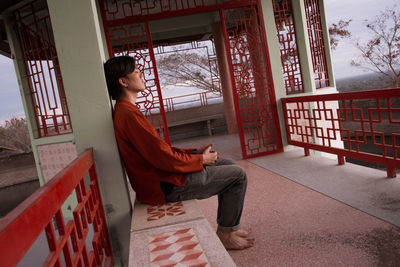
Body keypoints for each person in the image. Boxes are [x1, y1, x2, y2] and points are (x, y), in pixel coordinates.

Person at [104, 55, 254, 250]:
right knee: (238, 176)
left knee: (229, 165)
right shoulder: (128, 115)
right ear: (123, 82)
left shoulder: (127, 111)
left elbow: (160, 150)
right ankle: (226, 234)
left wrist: (194, 153)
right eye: (135, 72)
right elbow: (162, 158)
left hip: (161, 178)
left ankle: (228, 228)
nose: (140, 74)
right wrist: (200, 160)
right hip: (164, 185)